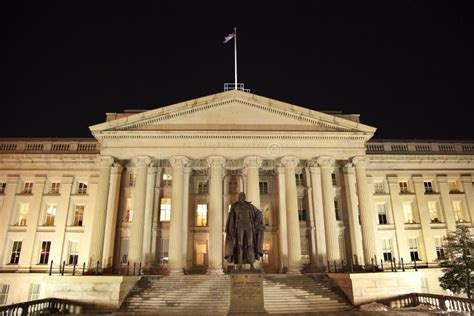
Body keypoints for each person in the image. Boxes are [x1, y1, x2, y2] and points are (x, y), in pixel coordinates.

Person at [224, 192, 265, 269]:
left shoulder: (250, 206)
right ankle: (239, 264)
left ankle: (251, 263)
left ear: (244, 197)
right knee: (239, 244)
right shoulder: (235, 206)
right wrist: (231, 228)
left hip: (249, 226)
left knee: (250, 244)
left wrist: (256, 223)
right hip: (239, 227)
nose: (242, 197)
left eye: (243, 196)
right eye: (240, 196)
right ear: (238, 197)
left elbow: (259, 213)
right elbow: (231, 218)